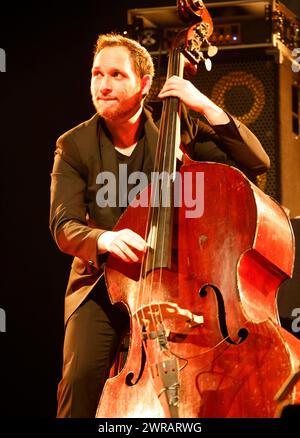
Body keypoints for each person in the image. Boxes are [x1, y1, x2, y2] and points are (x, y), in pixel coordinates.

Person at [49, 33, 270, 418]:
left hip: (176, 281)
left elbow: (255, 163)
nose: (103, 85)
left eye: (117, 75)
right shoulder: (74, 145)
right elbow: (64, 225)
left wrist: (204, 105)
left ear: (145, 84)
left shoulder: (178, 130)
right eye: (96, 74)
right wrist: (105, 237)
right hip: (103, 283)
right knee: (80, 376)